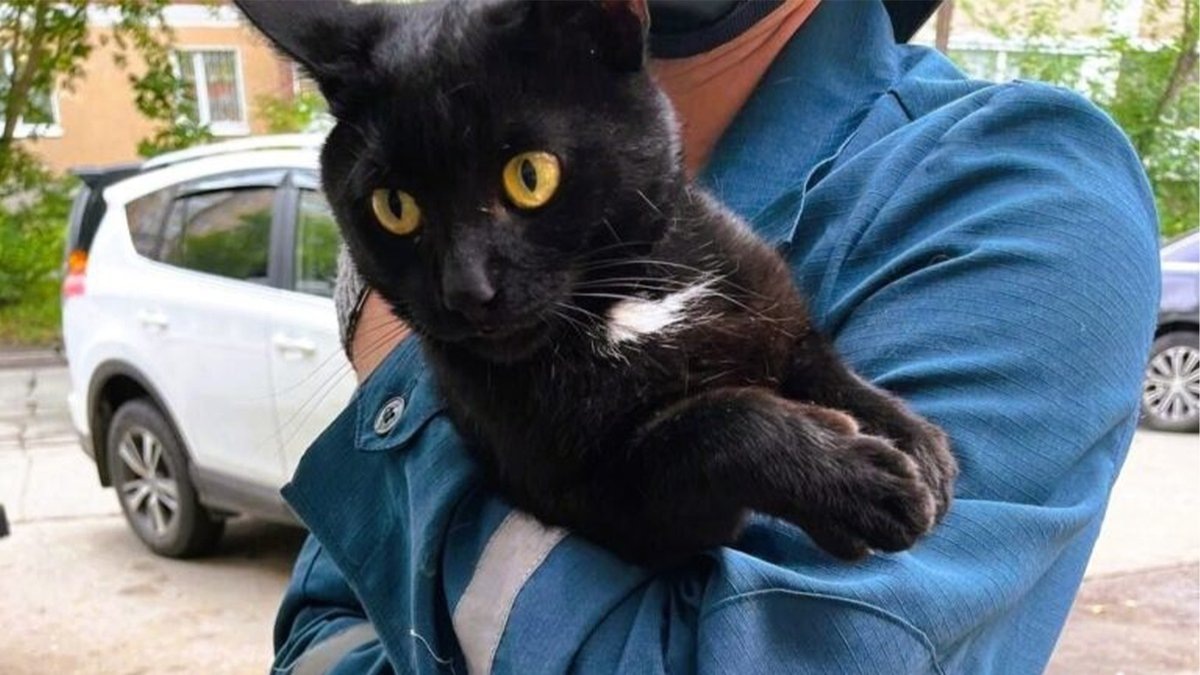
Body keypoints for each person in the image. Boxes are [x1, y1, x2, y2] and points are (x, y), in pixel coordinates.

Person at [273, 1, 1161, 673]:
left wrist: (394, 363)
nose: (467, 291)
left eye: (530, 179)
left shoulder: (1012, 182)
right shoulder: (425, 87)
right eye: (399, 209)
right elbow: (318, 633)